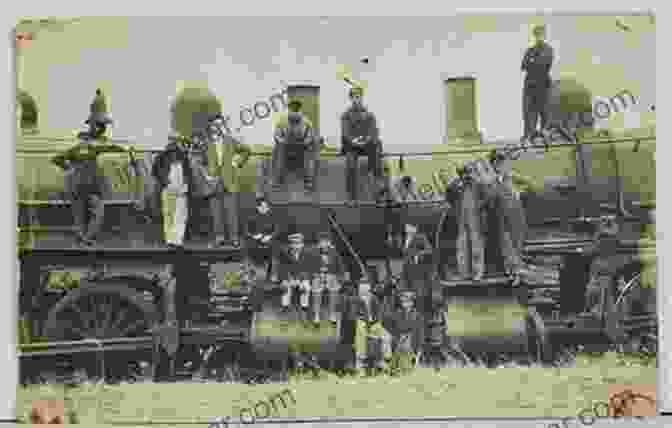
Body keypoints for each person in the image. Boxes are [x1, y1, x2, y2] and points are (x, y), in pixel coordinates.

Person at [51, 89, 123, 247]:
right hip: (88, 185)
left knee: (82, 214)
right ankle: (86, 238)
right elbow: (110, 148)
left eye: (102, 125)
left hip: (80, 184)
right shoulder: (90, 147)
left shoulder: (79, 147)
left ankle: (84, 238)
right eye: (100, 125)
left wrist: (68, 168)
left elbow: (57, 159)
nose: (101, 128)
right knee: (92, 212)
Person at [203, 115, 252, 248]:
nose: (217, 127)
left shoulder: (230, 141)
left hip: (229, 181)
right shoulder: (205, 143)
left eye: (220, 125)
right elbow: (197, 160)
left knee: (231, 211)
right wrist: (205, 174)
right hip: (213, 182)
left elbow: (247, 150)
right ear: (210, 126)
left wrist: (237, 161)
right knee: (216, 212)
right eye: (215, 125)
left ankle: (234, 238)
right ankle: (219, 238)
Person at [341, 86, 383, 201]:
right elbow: (345, 133)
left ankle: (379, 184)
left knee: (376, 153)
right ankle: (351, 195)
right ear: (351, 99)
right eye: (354, 97)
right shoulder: (346, 115)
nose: (356, 100)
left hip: (367, 145)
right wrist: (353, 141)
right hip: (352, 147)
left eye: (358, 97)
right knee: (350, 164)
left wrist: (367, 139)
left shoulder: (369, 115)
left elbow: (374, 130)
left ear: (362, 98)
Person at [151, 135, 192, 249]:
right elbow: (155, 171)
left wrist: (186, 185)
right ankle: (170, 240)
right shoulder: (161, 156)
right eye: (171, 140)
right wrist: (164, 181)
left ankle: (178, 240)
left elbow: (188, 173)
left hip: (181, 188)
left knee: (181, 215)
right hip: (168, 188)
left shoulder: (183, 156)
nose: (173, 142)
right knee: (168, 214)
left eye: (175, 140)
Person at [271, 99, 318, 192]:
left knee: (309, 153)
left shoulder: (306, 122)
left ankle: (309, 181)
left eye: (296, 110)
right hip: (286, 147)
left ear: (300, 110)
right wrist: (282, 142)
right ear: (289, 110)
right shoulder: (282, 121)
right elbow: (277, 135)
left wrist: (306, 142)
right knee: (278, 151)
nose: (294, 112)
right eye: (292, 110)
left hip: (301, 147)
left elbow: (310, 135)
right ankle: (278, 180)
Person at [272, 232, 320, 313]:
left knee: (306, 287)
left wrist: (304, 279)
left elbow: (310, 268)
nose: (296, 246)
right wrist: (284, 279)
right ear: (290, 244)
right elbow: (282, 267)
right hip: (290, 277)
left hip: (303, 278)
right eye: (293, 243)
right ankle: (285, 306)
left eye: (298, 243)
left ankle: (304, 306)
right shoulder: (285, 254)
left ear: (302, 244)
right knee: (285, 287)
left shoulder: (308, 254)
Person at [521, 24, 554, 142]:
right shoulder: (530, 50)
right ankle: (529, 137)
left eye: (541, 35)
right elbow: (523, 65)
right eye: (537, 35)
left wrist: (533, 61)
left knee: (545, 113)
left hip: (543, 85)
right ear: (534, 36)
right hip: (530, 86)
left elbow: (545, 64)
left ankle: (545, 137)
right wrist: (534, 62)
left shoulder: (548, 50)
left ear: (544, 36)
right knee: (529, 114)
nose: (539, 37)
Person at [383, 288, 424, 375]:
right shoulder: (397, 313)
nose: (405, 303)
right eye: (403, 301)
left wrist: (418, 350)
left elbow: (420, 332)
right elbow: (387, 323)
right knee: (396, 362)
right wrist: (394, 335)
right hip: (399, 340)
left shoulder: (417, 315)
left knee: (407, 365)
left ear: (412, 302)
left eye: (408, 301)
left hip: (411, 342)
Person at [313, 231, 347, 323]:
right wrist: (313, 274)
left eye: (326, 241)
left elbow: (340, 265)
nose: (324, 243)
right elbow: (309, 265)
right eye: (322, 241)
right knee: (316, 292)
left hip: (331, 275)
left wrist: (342, 276)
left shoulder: (334, 252)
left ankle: (332, 314)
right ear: (319, 243)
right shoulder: (314, 252)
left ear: (329, 242)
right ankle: (316, 314)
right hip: (318, 275)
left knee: (334, 292)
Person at [244, 194, 278, 279]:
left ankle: (271, 274)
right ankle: (251, 273)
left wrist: (270, 236)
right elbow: (246, 231)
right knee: (249, 248)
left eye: (267, 207)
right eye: (263, 207)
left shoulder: (272, 216)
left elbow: (277, 230)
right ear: (258, 208)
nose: (266, 209)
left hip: (269, 241)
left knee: (274, 248)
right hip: (255, 241)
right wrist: (254, 236)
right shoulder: (251, 216)